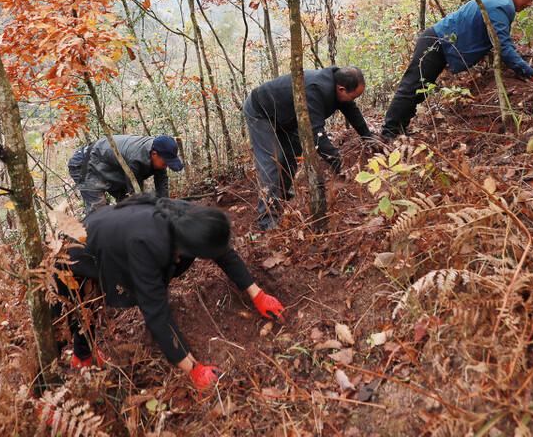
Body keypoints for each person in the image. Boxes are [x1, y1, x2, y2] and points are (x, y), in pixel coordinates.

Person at [50, 194, 286, 389]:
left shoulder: (190, 217)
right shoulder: (146, 246)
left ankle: (84, 353)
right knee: (79, 309)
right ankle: (72, 366)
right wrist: (193, 369)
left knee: (88, 307)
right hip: (75, 256)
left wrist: (257, 294)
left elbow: (222, 251)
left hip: (106, 232)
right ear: (189, 251)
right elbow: (155, 312)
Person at [380, 0, 533, 140]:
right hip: (436, 43)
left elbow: (497, 41)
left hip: (439, 44)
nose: (530, 3)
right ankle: (388, 133)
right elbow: (503, 47)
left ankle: (399, 130)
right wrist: (532, 74)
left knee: (420, 90)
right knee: (412, 87)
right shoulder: (500, 5)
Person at [243, 66, 374, 231]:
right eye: (353, 96)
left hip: (285, 116)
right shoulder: (316, 89)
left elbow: (352, 110)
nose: (352, 100)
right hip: (261, 111)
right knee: (271, 161)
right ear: (341, 89)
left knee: (291, 153)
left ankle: (280, 194)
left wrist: (368, 137)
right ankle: (267, 221)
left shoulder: (336, 86)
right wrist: (336, 161)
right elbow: (316, 133)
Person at [68, 134, 183, 215]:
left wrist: (165, 207)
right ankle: (91, 243)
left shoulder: (159, 151)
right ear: (154, 154)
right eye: (165, 163)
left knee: (126, 204)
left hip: (110, 167)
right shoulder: (135, 159)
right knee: (99, 210)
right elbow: (134, 194)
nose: (166, 166)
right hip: (84, 163)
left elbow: (161, 183)